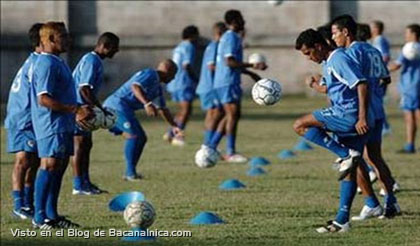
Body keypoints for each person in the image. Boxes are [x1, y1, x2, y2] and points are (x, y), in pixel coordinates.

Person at [294, 29, 374, 233]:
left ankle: (344, 154)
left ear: (318, 46)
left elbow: (361, 84)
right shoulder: (329, 62)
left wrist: (362, 117)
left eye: (308, 53)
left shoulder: (338, 59)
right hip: (356, 118)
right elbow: (335, 88)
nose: (308, 58)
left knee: (300, 125)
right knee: (350, 169)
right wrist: (314, 84)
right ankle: (342, 220)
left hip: (348, 115)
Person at [331, 15, 400, 219]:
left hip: (363, 113)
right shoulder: (374, 50)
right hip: (377, 110)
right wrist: (378, 97)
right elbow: (385, 78)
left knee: (355, 159)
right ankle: (391, 201)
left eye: (335, 33)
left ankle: (370, 204)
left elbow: (356, 83)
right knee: (375, 158)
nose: (334, 37)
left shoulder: (351, 53)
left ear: (346, 32)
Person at [30, 22, 93, 229]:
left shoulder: (58, 61)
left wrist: (78, 110)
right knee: (48, 165)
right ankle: (39, 218)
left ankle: (52, 215)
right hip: (50, 124)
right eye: (63, 36)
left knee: (59, 166)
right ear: (49, 40)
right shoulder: (46, 64)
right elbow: (44, 99)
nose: (68, 39)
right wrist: (74, 110)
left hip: (64, 123)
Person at [103, 60, 182, 180]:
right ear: (168, 70)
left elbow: (163, 109)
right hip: (116, 106)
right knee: (134, 136)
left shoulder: (158, 89)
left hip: (124, 109)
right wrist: (147, 103)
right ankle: (130, 173)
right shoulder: (150, 74)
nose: (174, 78)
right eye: (174, 74)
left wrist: (174, 126)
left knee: (141, 137)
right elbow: (135, 86)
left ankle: (131, 172)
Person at [207, 9, 265, 163]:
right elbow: (230, 62)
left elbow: (230, 62)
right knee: (232, 115)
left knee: (231, 115)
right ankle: (230, 152)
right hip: (228, 81)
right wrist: (253, 65)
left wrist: (250, 73)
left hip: (222, 81)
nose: (244, 22)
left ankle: (211, 146)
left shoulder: (226, 37)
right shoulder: (232, 37)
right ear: (234, 21)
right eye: (241, 19)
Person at [71, 32, 120, 195]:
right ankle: (78, 185)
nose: (116, 51)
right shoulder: (92, 60)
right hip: (80, 109)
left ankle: (85, 182)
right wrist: (97, 108)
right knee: (79, 145)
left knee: (87, 145)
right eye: (114, 48)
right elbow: (84, 88)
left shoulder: (94, 60)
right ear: (105, 46)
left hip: (85, 107)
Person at [5, 23, 43, 219]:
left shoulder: (39, 61)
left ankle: (28, 203)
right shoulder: (37, 63)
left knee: (35, 161)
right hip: (22, 118)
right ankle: (19, 205)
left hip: (31, 118)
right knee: (23, 161)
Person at [164, 25, 200, 146]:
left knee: (182, 110)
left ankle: (170, 132)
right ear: (193, 36)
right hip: (184, 82)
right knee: (186, 110)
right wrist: (196, 79)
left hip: (174, 82)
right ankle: (177, 136)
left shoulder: (178, 47)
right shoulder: (189, 46)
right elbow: (187, 65)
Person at [389, 24, 420, 153]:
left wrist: (382, 69)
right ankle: (410, 145)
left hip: (410, 86)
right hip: (417, 85)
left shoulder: (409, 48)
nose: (405, 36)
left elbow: (397, 65)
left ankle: (410, 145)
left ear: (413, 35)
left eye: (407, 33)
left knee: (410, 117)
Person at [196, 22, 227, 148]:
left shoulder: (212, 46)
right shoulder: (215, 46)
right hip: (210, 86)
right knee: (217, 113)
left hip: (207, 86)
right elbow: (211, 66)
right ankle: (208, 144)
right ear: (220, 34)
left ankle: (208, 143)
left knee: (212, 114)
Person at [370, 20, 392, 135]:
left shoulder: (380, 40)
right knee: (376, 100)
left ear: (377, 29)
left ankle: (385, 126)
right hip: (379, 75)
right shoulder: (376, 40)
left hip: (379, 76)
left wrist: (380, 70)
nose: (371, 30)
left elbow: (385, 56)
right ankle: (384, 125)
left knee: (377, 100)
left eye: (372, 27)